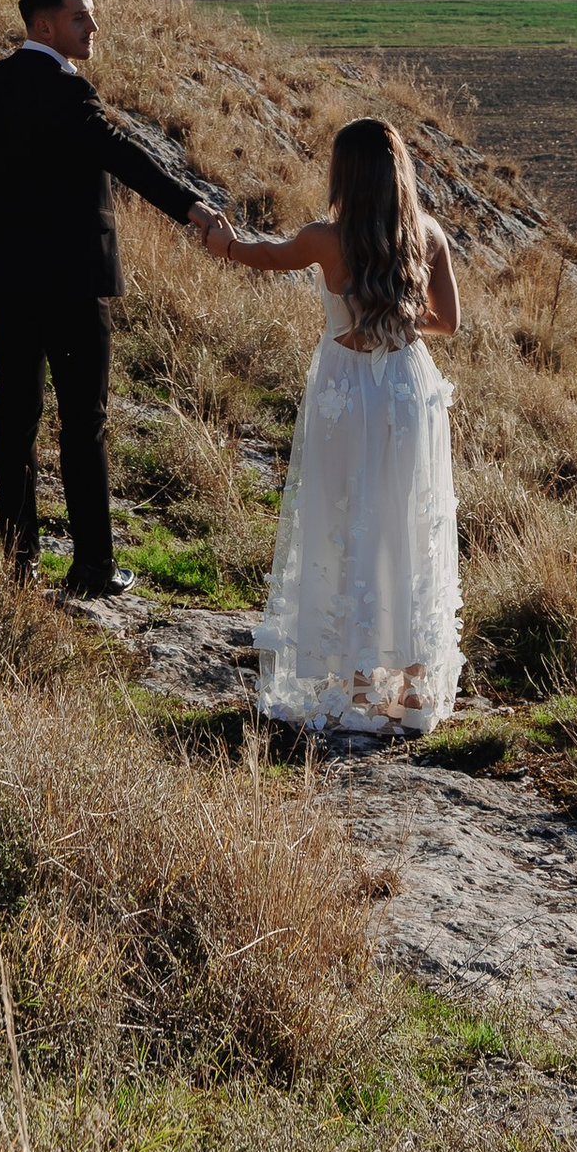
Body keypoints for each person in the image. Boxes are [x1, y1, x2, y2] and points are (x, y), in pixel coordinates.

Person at [0, 0, 214, 598]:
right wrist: (192, 208)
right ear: (43, 24)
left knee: (15, 420)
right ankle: (92, 567)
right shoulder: (70, 94)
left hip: (9, 284)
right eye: (79, 16)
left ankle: (19, 563)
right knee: (83, 422)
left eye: (90, 14)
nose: (92, 25)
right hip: (72, 286)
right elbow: (124, 156)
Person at [199, 117, 464, 736]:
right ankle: (411, 689)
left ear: (344, 174)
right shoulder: (428, 235)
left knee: (346, 520)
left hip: (347, 390)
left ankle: (359, 684)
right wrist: (395, 319)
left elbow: (261, 256)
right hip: (406, 387)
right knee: (403, 525)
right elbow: (447, 322)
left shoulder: (326, 238)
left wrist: (223, 241)